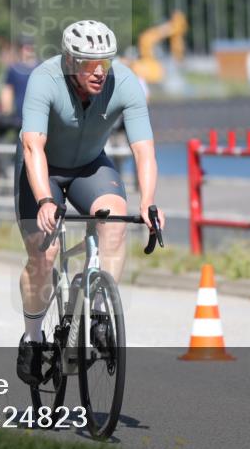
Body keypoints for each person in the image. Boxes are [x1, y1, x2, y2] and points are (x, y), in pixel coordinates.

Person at [15, 20, 164, 385]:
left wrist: (148, 202)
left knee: (114, 223)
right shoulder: (45, 79)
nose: (99, 71)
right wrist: (45, 199)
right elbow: (32, 146)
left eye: (105, 62)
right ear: (70, 60)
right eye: (89, 63)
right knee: (44, 255)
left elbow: (144, 150)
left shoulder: (124, 82)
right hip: (43, 169)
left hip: (90, 167)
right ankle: (33, 339)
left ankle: (97, 316)